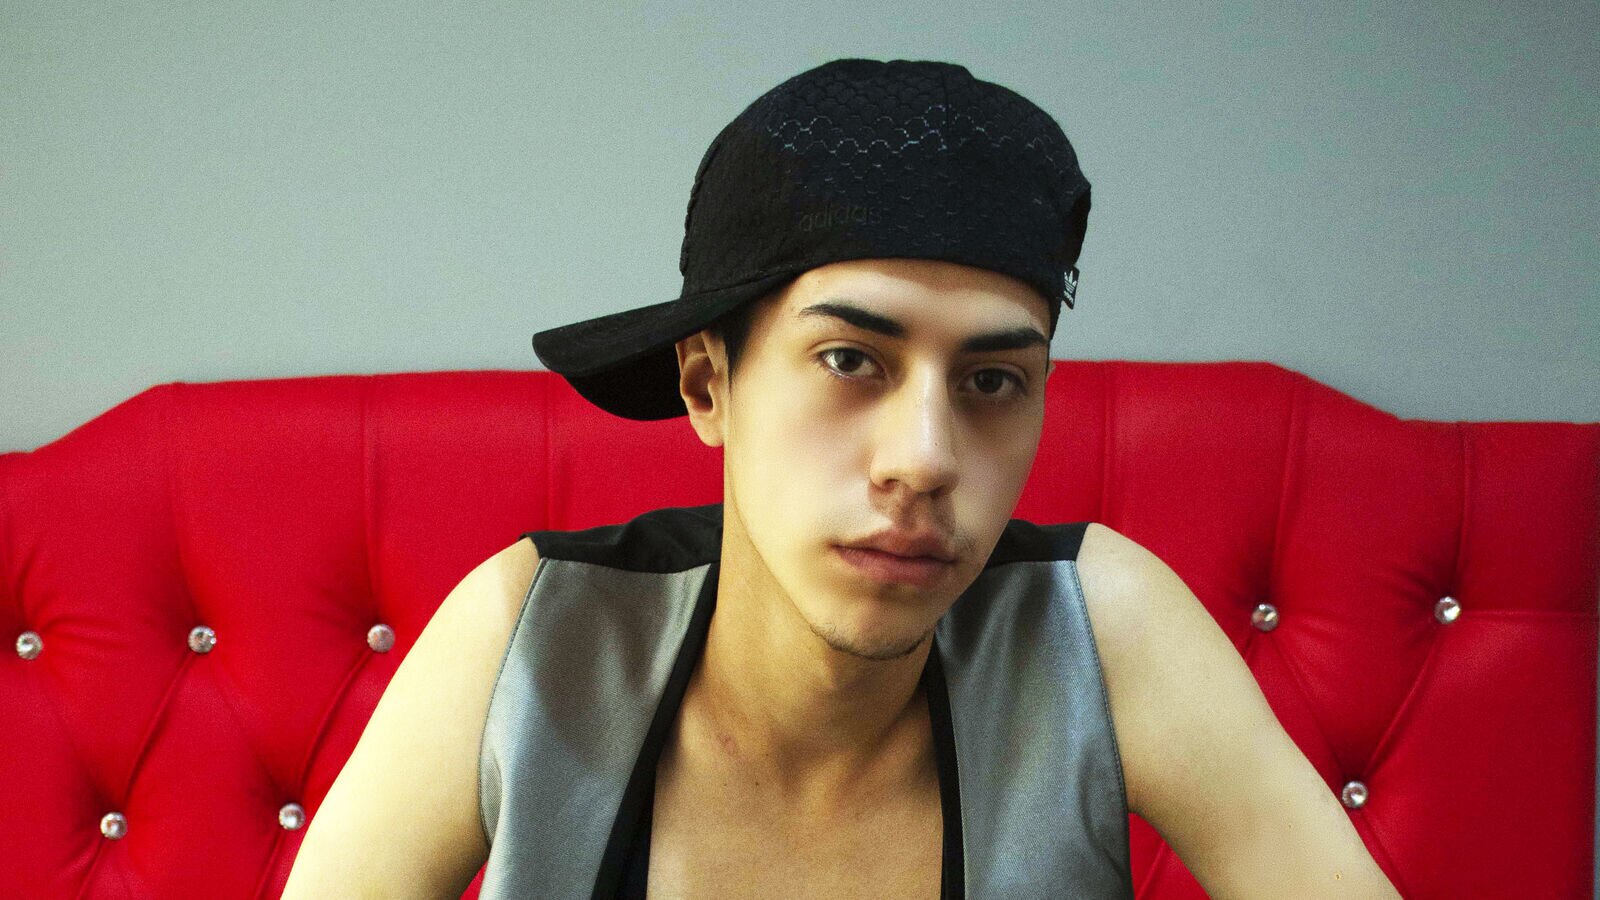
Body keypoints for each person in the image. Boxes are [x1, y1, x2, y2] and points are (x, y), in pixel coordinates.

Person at [283, 58, 1401, 898]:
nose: (925, 459)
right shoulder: (535, 637)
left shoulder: (1098, 632)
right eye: (850, 360)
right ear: (708, 385)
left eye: (993, 381)